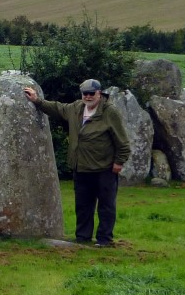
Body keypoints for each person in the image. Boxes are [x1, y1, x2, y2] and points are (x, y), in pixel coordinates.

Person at [23, 78, 129, 247]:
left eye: (91, 94)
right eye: (84, 94)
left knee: (106, 206)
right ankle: (83, 237)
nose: (88, 97)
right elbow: (58, 108)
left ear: (99, 94)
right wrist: (37, 101)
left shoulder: (110, 112)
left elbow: (122, 141)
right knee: (83, 205)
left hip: (104, 167)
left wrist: (119, 162)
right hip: (81, 167)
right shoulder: (76, 108)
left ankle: (104, 239)